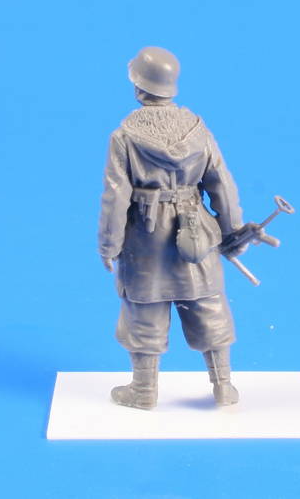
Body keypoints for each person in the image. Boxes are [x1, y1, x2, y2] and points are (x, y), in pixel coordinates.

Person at [98, 46, 245, 409]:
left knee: (144, 308)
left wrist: (109, 245)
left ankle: (143, 390)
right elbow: (222, 184)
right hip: (196, 231)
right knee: (207, 303)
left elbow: (115, 197)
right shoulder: (199, 131)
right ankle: (223, 386)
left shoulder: (124, 137)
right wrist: (232, 231)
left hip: (145, 237)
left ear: (139, 86)